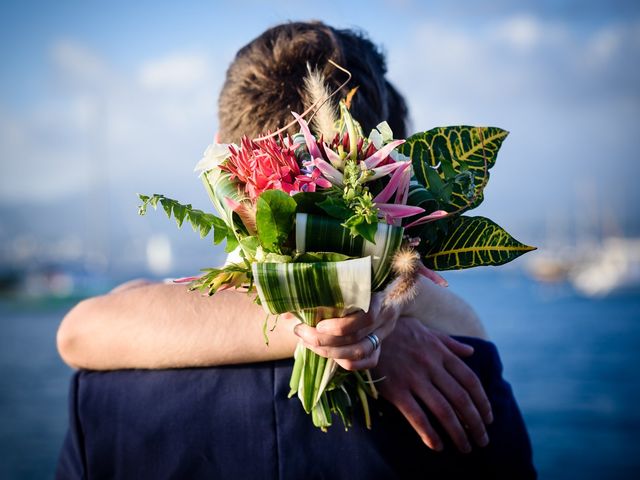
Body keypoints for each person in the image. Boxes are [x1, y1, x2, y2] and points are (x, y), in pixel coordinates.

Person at [56, 21, 536, 479]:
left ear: (223, 163)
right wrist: (359, 322)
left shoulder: (106, 386)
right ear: (387, 167)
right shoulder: (458, 374)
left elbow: (78, 331)